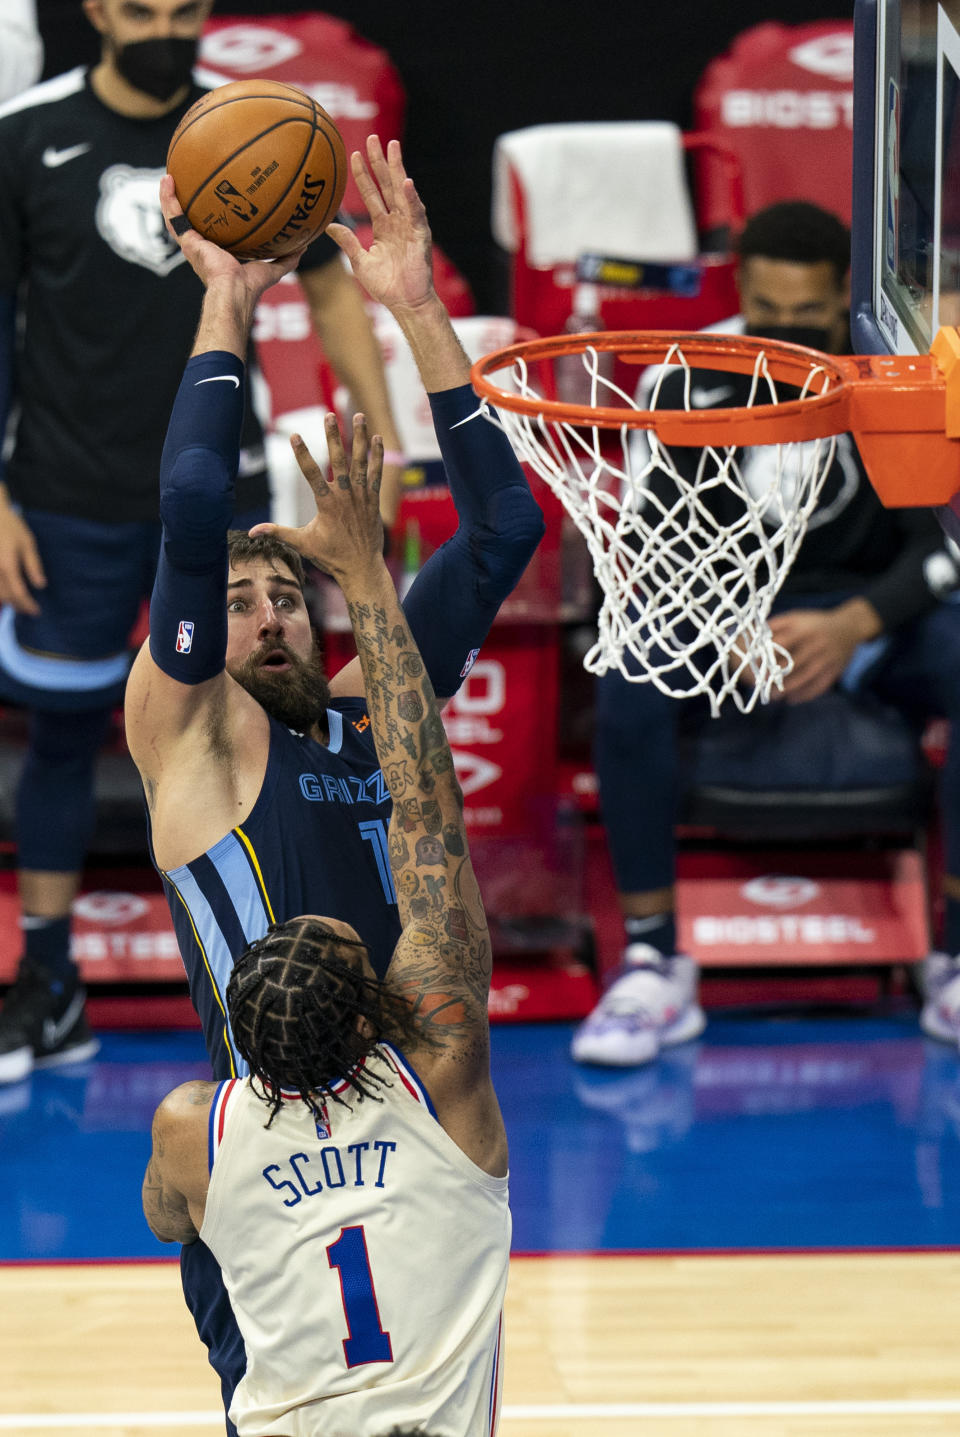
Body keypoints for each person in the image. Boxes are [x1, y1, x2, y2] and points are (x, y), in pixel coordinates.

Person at [129, 134, 538, 1432]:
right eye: (238, 602)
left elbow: (503, 533)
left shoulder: (378, 706)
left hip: (410, 1104)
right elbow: (196, 501)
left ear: (322, 612)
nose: (264, 617)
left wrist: (418, 309)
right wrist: (230, 300)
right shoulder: (196, 737)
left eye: (283, 595)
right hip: (267, 1139)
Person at [0, 0, 410, 1085]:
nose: (164, 26)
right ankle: (48, 979)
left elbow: (331, 296)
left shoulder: (260, 128)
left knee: (259, 737)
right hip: (64, 494)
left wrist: (389, 443)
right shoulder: (25, 136)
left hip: (220, 505)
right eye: (140, 9)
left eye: (183, 8)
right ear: (94, 9)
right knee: (58, 729)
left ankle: (282, 989)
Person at [573, 199, 960, 1066]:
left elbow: (941, 541)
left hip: (866, 619)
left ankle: (954, 955)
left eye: (808, 316)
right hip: (729, 618)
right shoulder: (681, 377)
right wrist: (728, 620)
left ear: (844, 301)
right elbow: (650, 540)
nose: (784, 332)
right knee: (631, 666)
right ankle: (651, 959)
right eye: (767, 312)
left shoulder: (893, 374)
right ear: (742, 290)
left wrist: (856, 621)